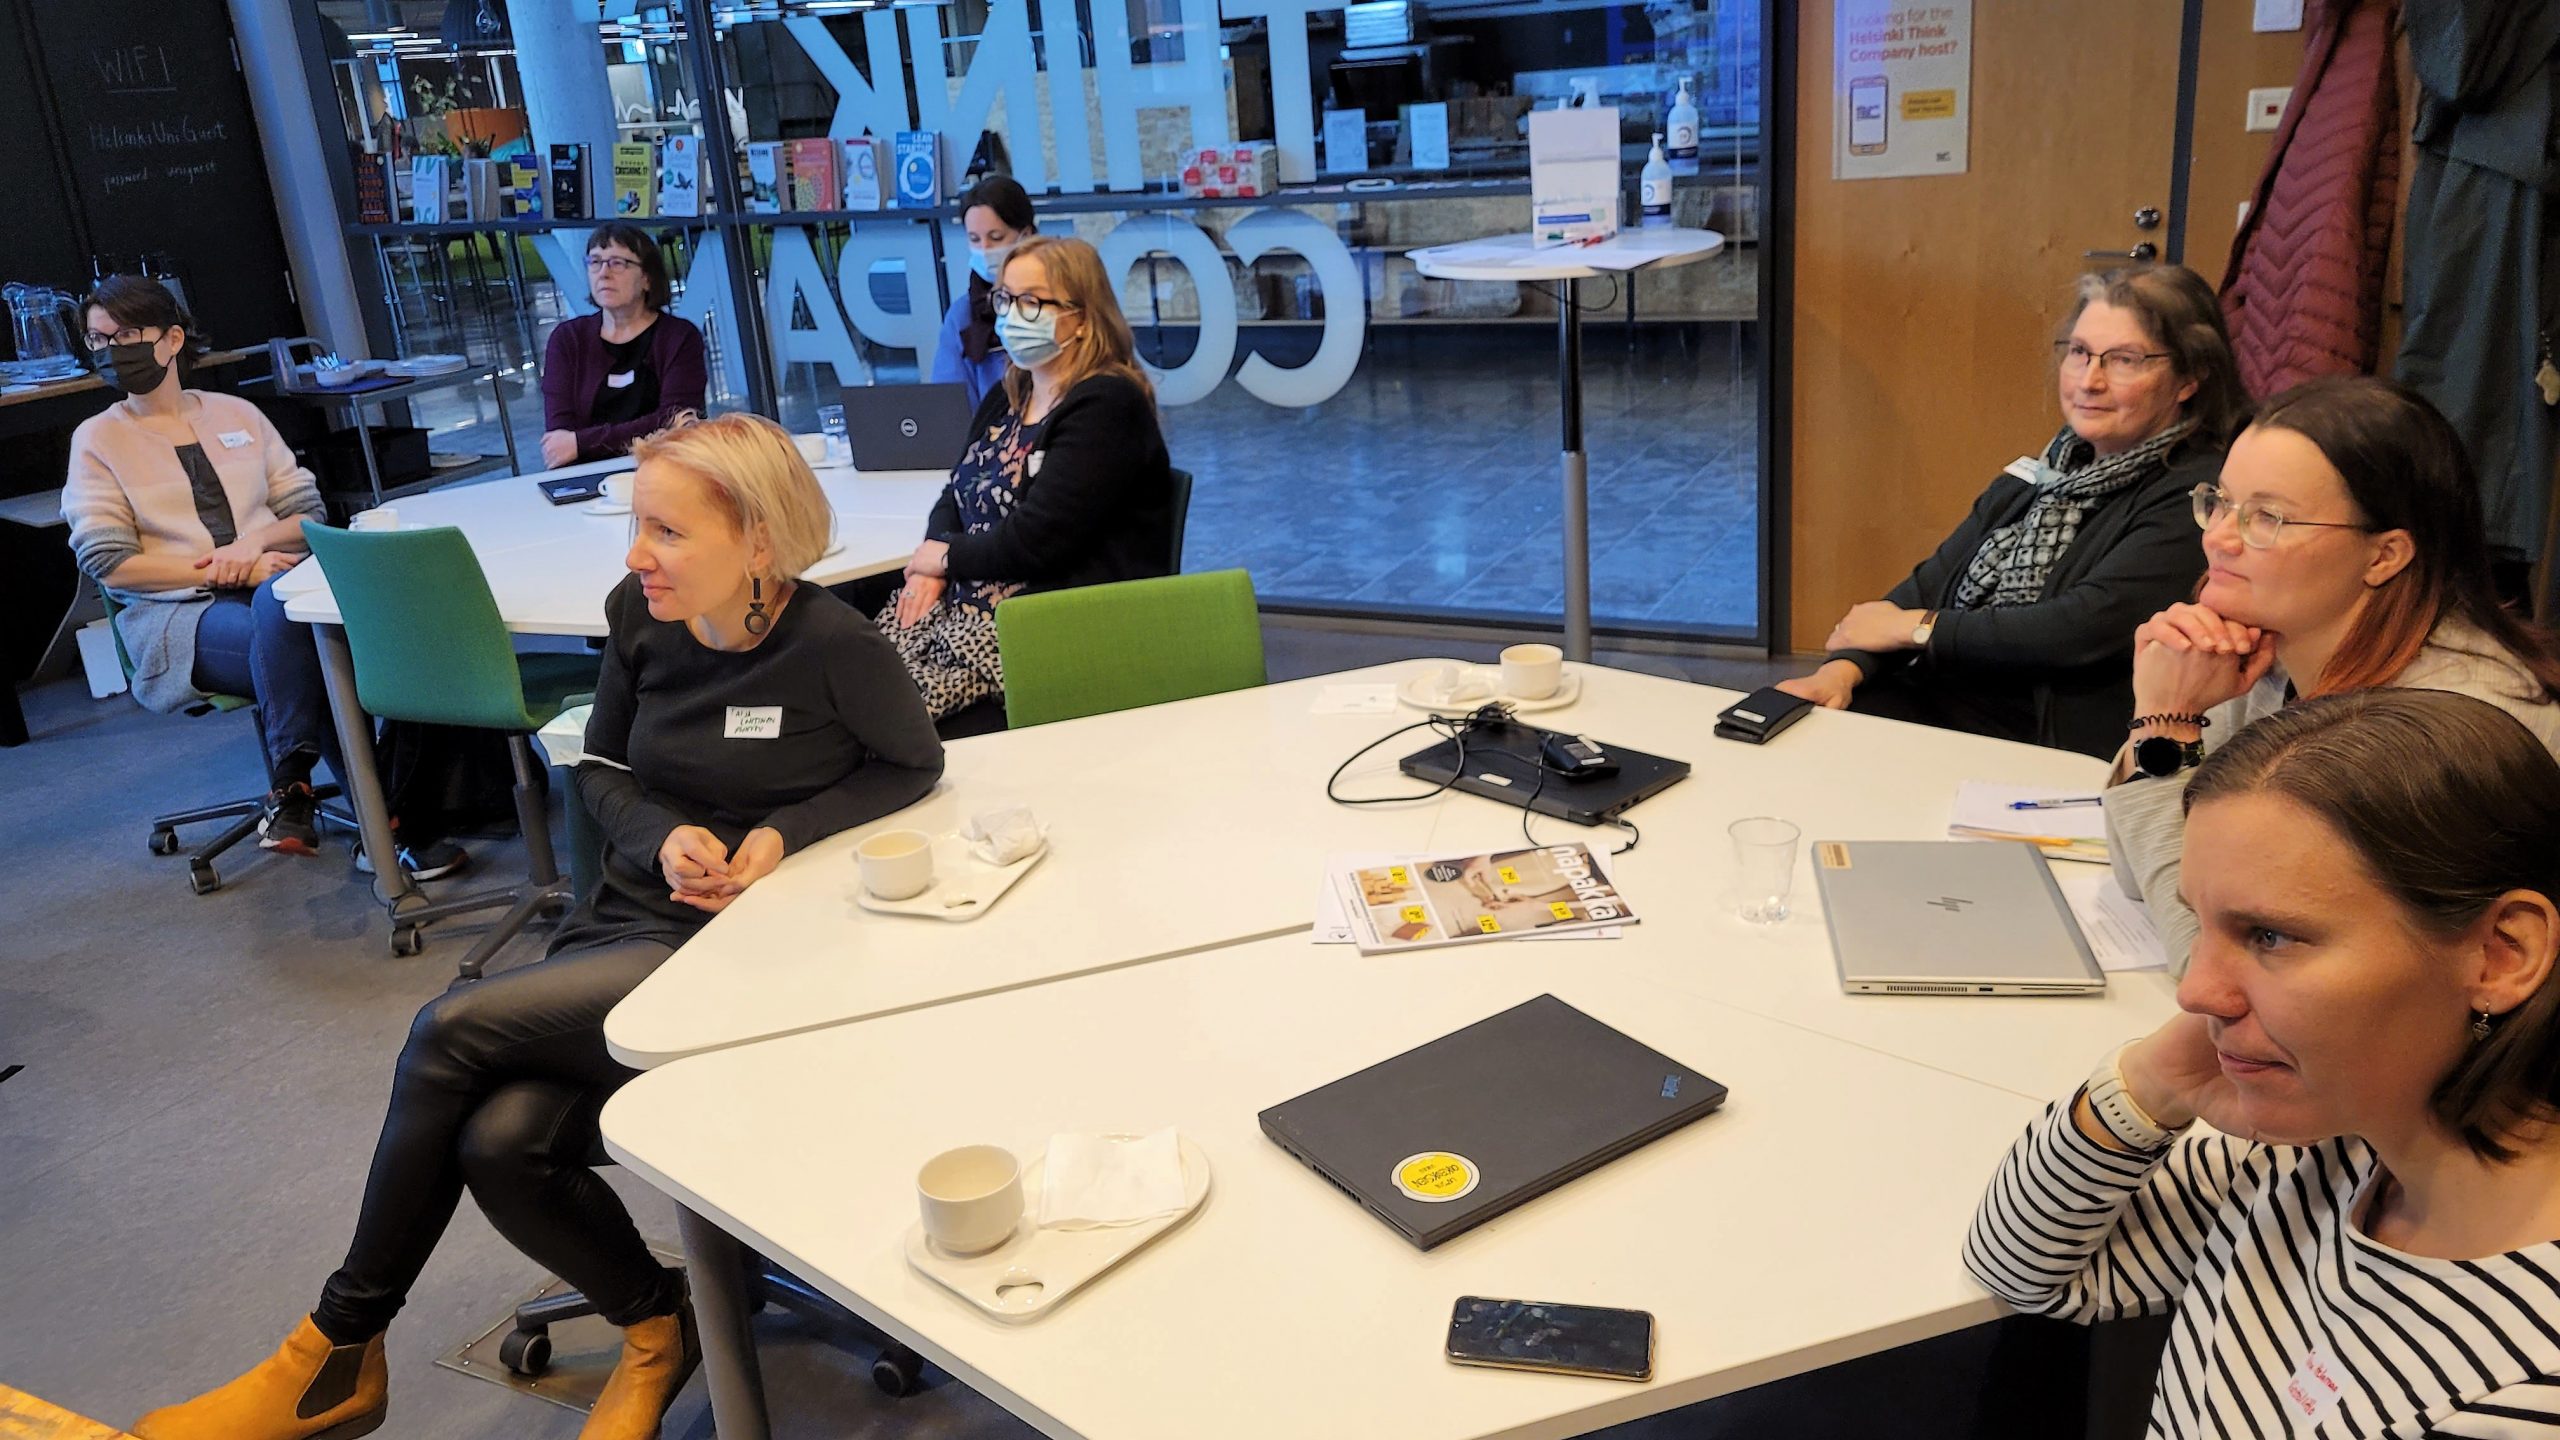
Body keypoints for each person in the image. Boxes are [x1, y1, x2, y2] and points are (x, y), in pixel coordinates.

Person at [130, 414, 945, 1440]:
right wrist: (662, 837)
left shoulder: (833, 644)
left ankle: (337, 1347)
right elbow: (601, 768)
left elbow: (914, 765)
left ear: (758, 542)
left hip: (742, 953)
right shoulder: (640, 617)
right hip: (629, 919)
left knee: (448, 1028)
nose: (636, 555)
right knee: (501, 1139)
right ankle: (659, 1332)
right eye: (637, 526)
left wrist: (785, 834)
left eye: (667, 532)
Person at [1965, 689, 2560, 1438]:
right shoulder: (2335, 1157)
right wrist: (2153, 1084)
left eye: (2271, 936)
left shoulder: (2522, 1396)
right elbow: (2019, 1267)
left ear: (2502, 954)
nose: (2194, 990)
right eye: (2199, 922)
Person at [2105, 375, 2560, 975]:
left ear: (2384, 555)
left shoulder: (2446, 722)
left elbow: (2221, 965)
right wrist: (2165, 721)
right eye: (2219, 502)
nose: (2217, 537)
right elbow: (2137, 871)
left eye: (2267, 517)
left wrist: (2166, 725)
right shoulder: (2268, 654)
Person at [1777, 265, 2247, 757]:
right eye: (2080, 353)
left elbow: (2077, 629)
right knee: (1795, 738)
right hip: (1948, 695)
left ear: (2190, 378)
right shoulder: (2055, 465)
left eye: (2124, 360)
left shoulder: (2198, 491)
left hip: (2044, 739)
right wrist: (1843, 670)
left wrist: (1917, 629)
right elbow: (1936, 577)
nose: (2090, 381)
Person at [54, 276, 409, 864]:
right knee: (312, 639)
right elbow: (111, 564)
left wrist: (253, 547)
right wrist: (228, 570)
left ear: (171, 340)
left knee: (285, 608)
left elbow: (307, 516)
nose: (112, 351)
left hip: (277, 586)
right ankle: (389, 825)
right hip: (175, 616)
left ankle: (293, 785)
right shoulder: (97, 439)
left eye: (125, 335)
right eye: (97, 341)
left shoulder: (235, 412)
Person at [878, 234, 1175, 719]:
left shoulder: (1107, 405)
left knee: (886, 720)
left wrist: (947, 559)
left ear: (1081, 317)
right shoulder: (1007, 395)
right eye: (1005, 299)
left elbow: (1039, 540)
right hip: (968, 606)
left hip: (1051, 628)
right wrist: (932, 568)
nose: (1012, 314)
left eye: (1032, 301)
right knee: (846, 688)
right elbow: (956, 492)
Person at [538, 224, 708, 468]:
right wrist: (576, 444)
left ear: (647, 278)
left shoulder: (679, 337)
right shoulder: (567, 339)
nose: (604, 273)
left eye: (618, 263)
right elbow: (559, 438)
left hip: (666, 468)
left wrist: (581, 443)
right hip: (584, 475)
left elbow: (677, 421)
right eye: (595, 262)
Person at [930, 173, 1039, 410]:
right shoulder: (962, 317)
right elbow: (949, 409)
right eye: (974, 239)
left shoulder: (1061, 300)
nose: (984, 249)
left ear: (1026, 235)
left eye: (996, 237)